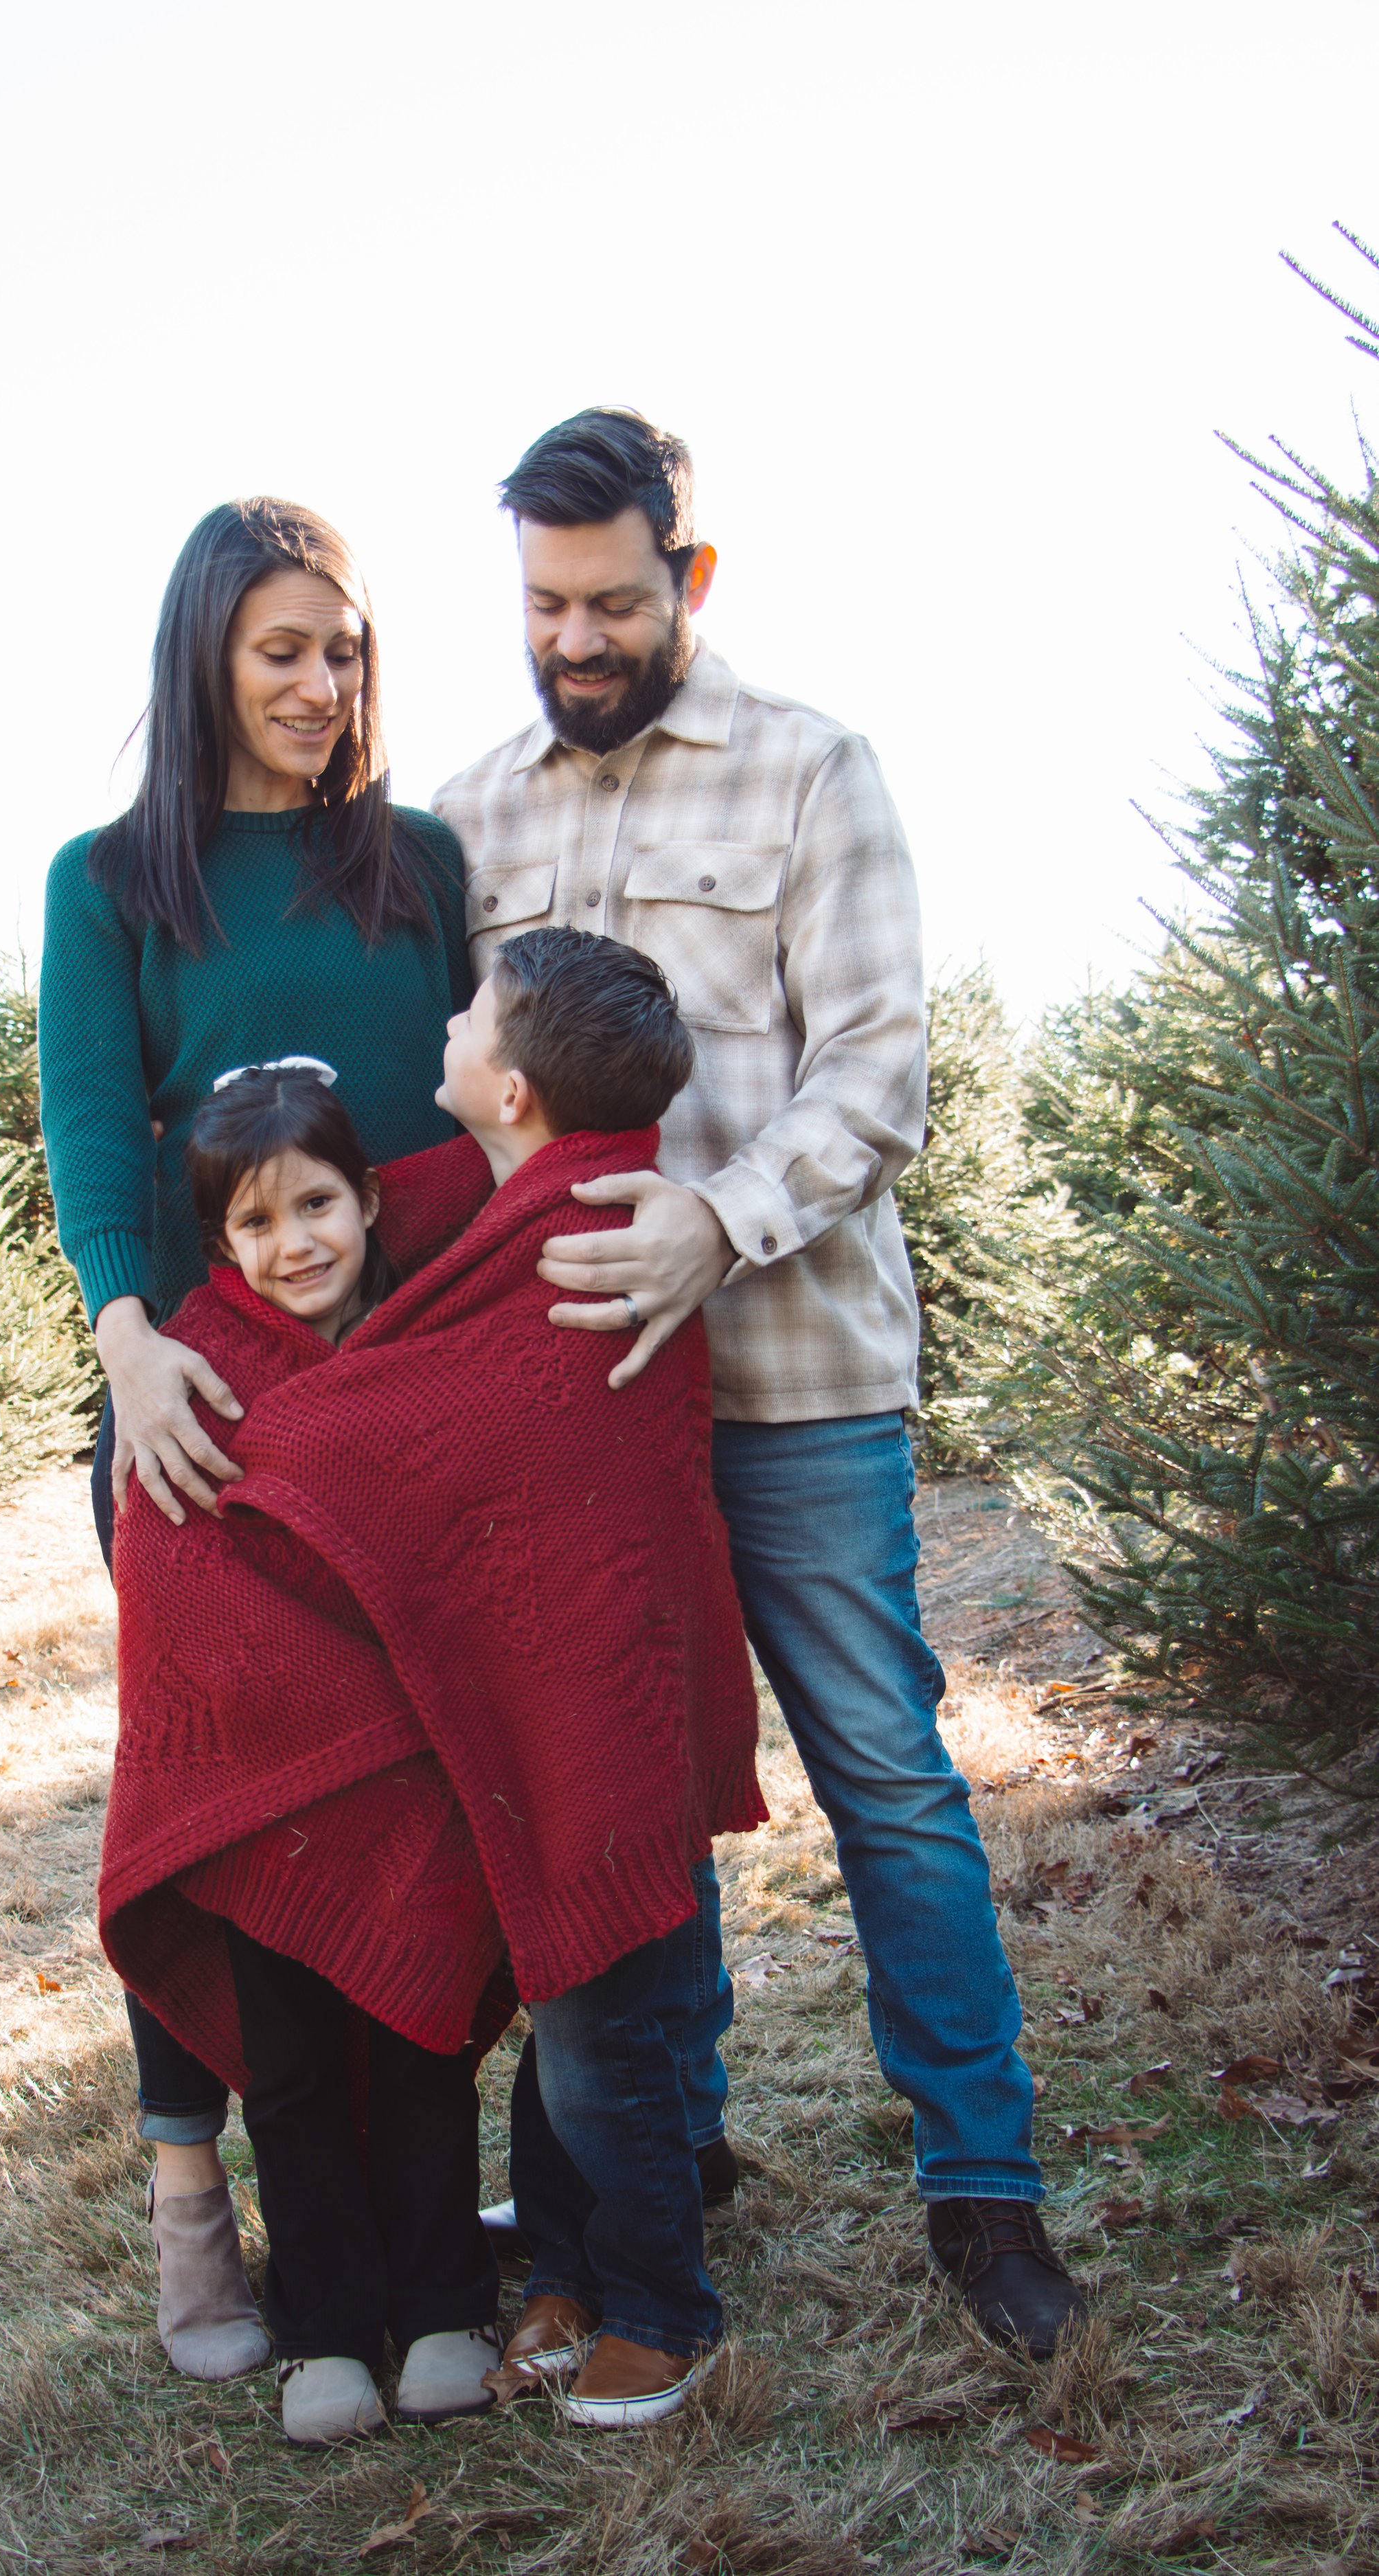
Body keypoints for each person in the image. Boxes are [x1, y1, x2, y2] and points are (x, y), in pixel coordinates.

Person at [433, 409, 1089, 2359]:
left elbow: (874, 1074)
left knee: (880, 1771)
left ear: (689, 577)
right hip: (575, 1413)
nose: (573, 639)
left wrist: (713, 1226)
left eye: (611, 602)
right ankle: (672, 2144)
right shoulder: (467, 817)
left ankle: (982, 2188)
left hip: (792, 1382)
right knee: (627, 1786)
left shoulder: (812, 771)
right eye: (543, 605)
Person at [100, 930, 766, 2440]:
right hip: (399, 1753)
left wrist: (268, 1436)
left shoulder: (582, 1231)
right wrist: (141, 1338)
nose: (444, 1023)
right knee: (484, 2044)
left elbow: (381, 1431)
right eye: (256, 1222)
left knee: (577, 2034)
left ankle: (629, 2304)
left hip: (570, 1731)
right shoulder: (498, 1208)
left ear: (510, 1086)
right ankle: (463, 2296)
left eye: (469, 1014)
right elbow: (337, 1211)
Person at [37, 498, 472, 2382]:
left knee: (412, 1795)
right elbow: (86, 1122)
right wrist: (130, 1349)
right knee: (214, 1798)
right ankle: (188, 2199)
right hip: (196, 1407)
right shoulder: (111, 882)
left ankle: (411, 2235)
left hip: (403, 1414)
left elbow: (477, 1121)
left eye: (344, 649)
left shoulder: (416, 861)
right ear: (204, 658)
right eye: (281, 651)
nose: (320, 684)